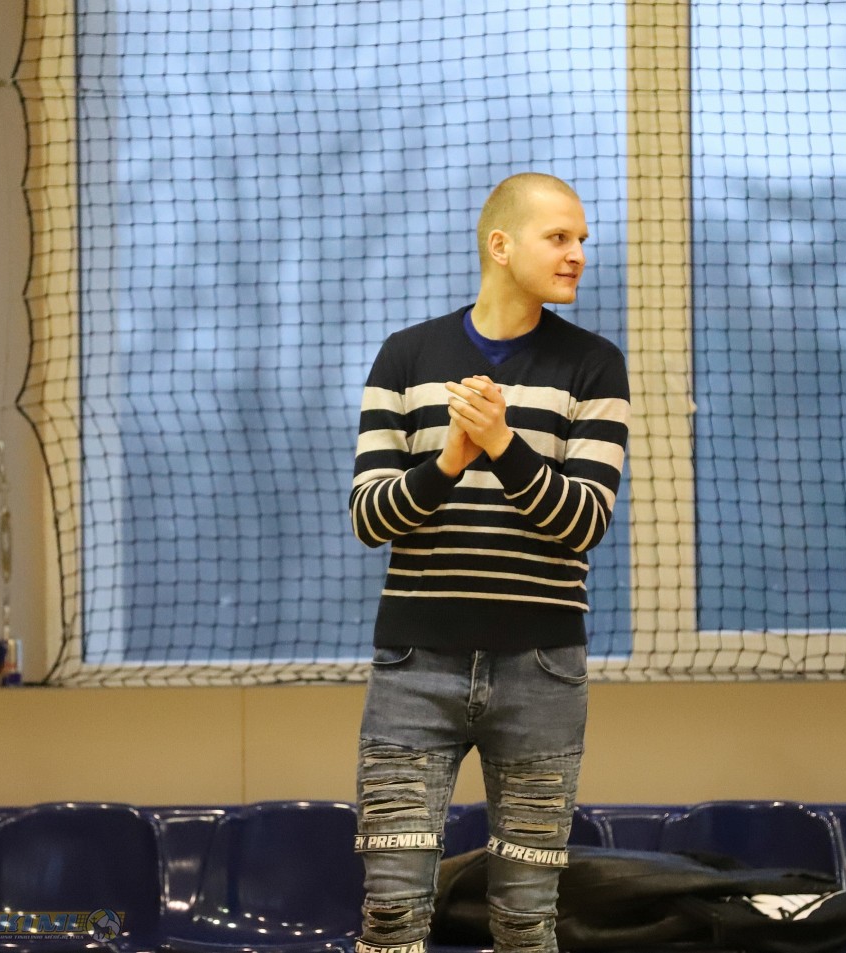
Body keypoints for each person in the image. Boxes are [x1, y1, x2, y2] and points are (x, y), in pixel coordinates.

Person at [348, 172, 630, 953]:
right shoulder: (405, 356)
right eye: (559, 237)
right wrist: (448, 461)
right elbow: (369, 518)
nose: (577, 254)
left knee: (526, 922)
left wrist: (502, 445)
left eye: (582, 240)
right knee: (392, 916)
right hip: (414, 666)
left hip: (542, 670)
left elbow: (582, 523)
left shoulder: (595, 365)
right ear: (500, 246)